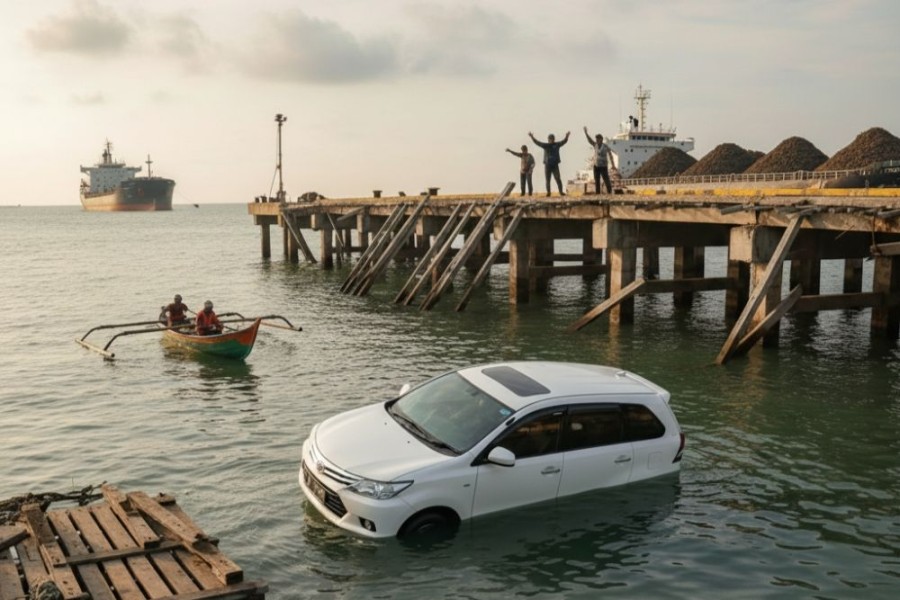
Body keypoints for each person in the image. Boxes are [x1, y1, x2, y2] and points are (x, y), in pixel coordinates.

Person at [528, 131, 570, 197]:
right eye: (550, 139)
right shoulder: (546, 145)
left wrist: (567, 136)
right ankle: (548, 192)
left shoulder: (557, 145)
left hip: (555, 165)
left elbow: (563, 142)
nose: (551, 140)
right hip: (548, 165)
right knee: (548, 180)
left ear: (554, 139)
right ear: (548, 140)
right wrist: (532, 137)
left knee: (558, 178)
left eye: (552, 139)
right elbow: (537, 143)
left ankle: (561, 192)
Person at [584, 126, 613, 194]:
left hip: (603, 166)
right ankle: (597, 193)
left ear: (601, 139)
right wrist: (586, 133)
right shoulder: (595, 145)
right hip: (596, 166)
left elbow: (610, 154)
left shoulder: (605, 146)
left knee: (606, 179)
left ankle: (609, 192)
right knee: (597, 180)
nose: (597, 141)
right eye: (596, 139)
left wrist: (613, 164)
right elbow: (590, 140)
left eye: (598, 139)